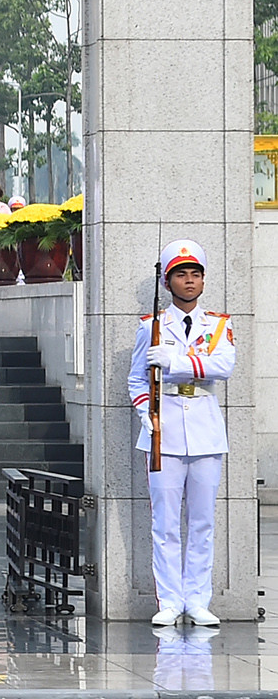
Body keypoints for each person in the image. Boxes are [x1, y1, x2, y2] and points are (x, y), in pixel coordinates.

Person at [128, 239, 235, 626]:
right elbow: (136, 379)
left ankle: (198, 599)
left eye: (195, 274)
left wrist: (177, 361)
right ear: (169, 282)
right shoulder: (151, 327)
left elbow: (223, 365)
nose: (189, 281)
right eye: (181, 275)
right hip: (164, 429)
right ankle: (170, 600)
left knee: (203, 522)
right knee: (166, 522)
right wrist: (145, 412)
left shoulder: (219, 325)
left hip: (205, 429)